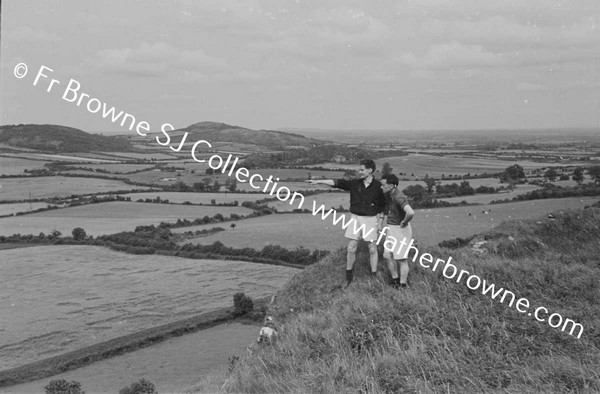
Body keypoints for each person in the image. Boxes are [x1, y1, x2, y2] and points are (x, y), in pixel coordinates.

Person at [307, 159, 386, 287]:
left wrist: (381, 222)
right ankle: (348, 278)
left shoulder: (378, 187)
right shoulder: (355, 184)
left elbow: (382, 206)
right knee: (351, 248)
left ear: (370, 170)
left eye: (361, 170)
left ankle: (373, 276)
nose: (359, 172)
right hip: (355, 218)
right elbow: (337, 183)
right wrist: (318, 181)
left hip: (371, 220)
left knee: (372, 249)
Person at [380, 174, 415, 288]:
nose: (381, 187)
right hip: (392, 229)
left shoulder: (399, 197)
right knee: (387, 255)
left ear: (390, 185)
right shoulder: (390, 195)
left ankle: (403, 285)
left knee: (401, 259)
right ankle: (395, 280)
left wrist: (404, 222)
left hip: (400, 231)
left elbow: (410, 212)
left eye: (383, 185)